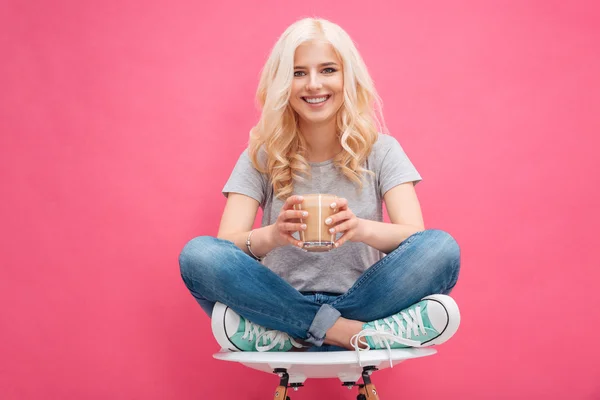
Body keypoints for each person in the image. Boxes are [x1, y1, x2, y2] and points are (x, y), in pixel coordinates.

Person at [179, 17, 461, 356]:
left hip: (363, 300)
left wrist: (358, 228)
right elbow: (224, 246)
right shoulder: (261, 156)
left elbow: (414, 237)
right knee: (198, 254)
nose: (313, 84)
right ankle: (352, 334)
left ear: (347, 77)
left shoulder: (382, 150)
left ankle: (292, 333)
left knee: (441, 247)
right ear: (283, 82)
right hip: (280, 297)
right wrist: (273, 235)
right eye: (299, 73)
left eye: (328, 70)